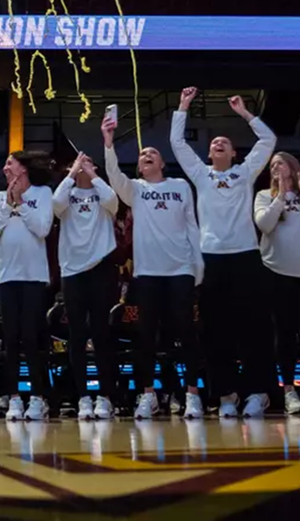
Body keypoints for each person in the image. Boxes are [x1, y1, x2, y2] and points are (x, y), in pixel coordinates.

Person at [171, 87, 276, 419]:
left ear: (233, 154)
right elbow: (177, 144)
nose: (218, 144)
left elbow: (268, 141)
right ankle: (225, 395)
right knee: (215, 331)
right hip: (211, 258)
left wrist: (245, 114)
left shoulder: (245, 173)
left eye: (225, 143)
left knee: (254, 328)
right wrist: (183, 106)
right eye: (214, 143)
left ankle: (258, 393)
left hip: (246, 256)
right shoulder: (201, 175)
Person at [102, 113, 205, 420]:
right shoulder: (135, 190)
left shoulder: (181, 186)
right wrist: (108, 143)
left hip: (180, 270)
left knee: (186, 333)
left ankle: (192, 395)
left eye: (153, 153)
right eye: (143, 154)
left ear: (161, 163)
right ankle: (148, 395)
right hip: (147, 273)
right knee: (146, 335)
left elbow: (192, 227)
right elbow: (114, 176)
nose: (147, 155)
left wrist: (197, 265)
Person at [253, 152, 300, 415]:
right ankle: (288, 390)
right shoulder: (264, 196)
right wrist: (279, 196)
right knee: (284, 335)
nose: (276, 167)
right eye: (272, 164)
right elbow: (264, 224)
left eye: (281, 162)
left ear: (294, 168)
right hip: (277, 273)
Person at [0, 150, 54, 422]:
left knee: (31, 337)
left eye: (9, 163)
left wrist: (22, 204)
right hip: (7, 277)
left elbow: (42, 229)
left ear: (23, 169)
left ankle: (38, 398)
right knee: (11, 339)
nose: (5, 168)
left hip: (34, 277)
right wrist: (8, 204)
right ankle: (13, 397)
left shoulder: (43, 193)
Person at [53, 152, 120, 421]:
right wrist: (71, 175)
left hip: (102, 268)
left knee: (102, 334)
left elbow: (113, 202)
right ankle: (82, 397)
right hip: (73, 271)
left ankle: (105, 397)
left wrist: (93, 174)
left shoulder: (103, 195)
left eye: (89, 161)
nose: (83, 164)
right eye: (79, 162)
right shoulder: (66, 195)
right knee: (78, 336)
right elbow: (55, 204)